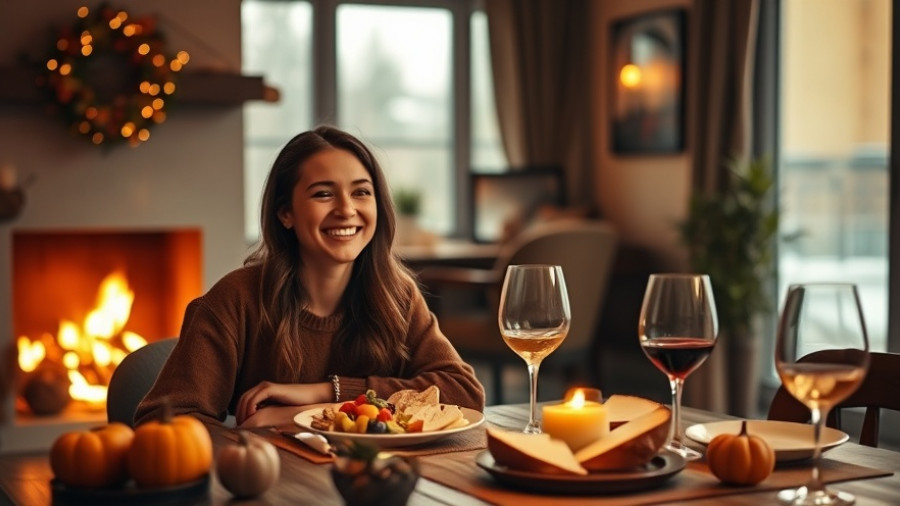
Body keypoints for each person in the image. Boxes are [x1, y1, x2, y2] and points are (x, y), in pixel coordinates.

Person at [134, 126, 485, 428]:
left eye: (361, 191)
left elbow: (464, 393)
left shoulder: (397, 295)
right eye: (323, 194)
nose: (346, 209)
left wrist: (322, 400)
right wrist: (246, 444)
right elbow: (165, 420)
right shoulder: (236, 299)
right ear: (285, 213)